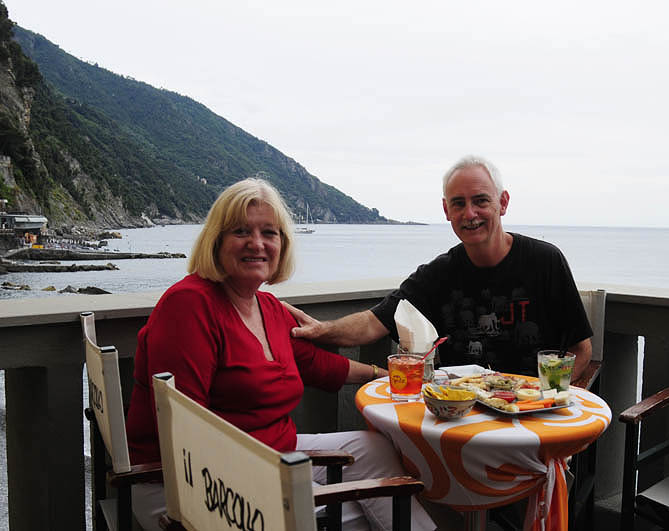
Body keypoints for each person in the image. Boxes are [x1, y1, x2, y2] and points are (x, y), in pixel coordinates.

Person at [125, 178, 436, 531]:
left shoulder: (268, 307)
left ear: (282, 245)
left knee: (374, 449)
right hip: (193, 486)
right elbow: (187, 432)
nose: (256, 243)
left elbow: (318, 365)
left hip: (270, 455)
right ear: (216, 240)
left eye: (269, 233)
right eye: (241, 231)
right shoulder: (190, 305)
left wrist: (386, 375)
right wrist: (282, 488)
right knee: (376, 510)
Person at [286, 155, 593, 380]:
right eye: (458, 203)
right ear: (447, 210)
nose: (470, 213)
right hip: (461, 413)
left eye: (481, 201)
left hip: (531, 413)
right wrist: (321, 330)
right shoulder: (439, 274)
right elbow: (373, 322)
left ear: (503, 203)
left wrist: (544, 398)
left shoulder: (545, 261)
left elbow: (581, 350)